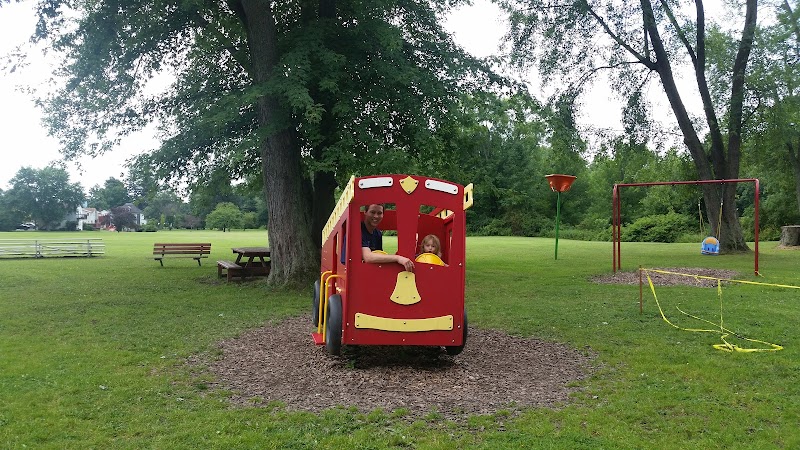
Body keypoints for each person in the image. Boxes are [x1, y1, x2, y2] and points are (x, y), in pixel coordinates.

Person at [360, 203, 414, 272]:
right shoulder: (359, 230)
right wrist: (398, 258)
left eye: (379, 213)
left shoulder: (377, 233)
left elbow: (379, 255)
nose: (376, 216)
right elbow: (368, 257)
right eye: (372, 212)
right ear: (365, 212)